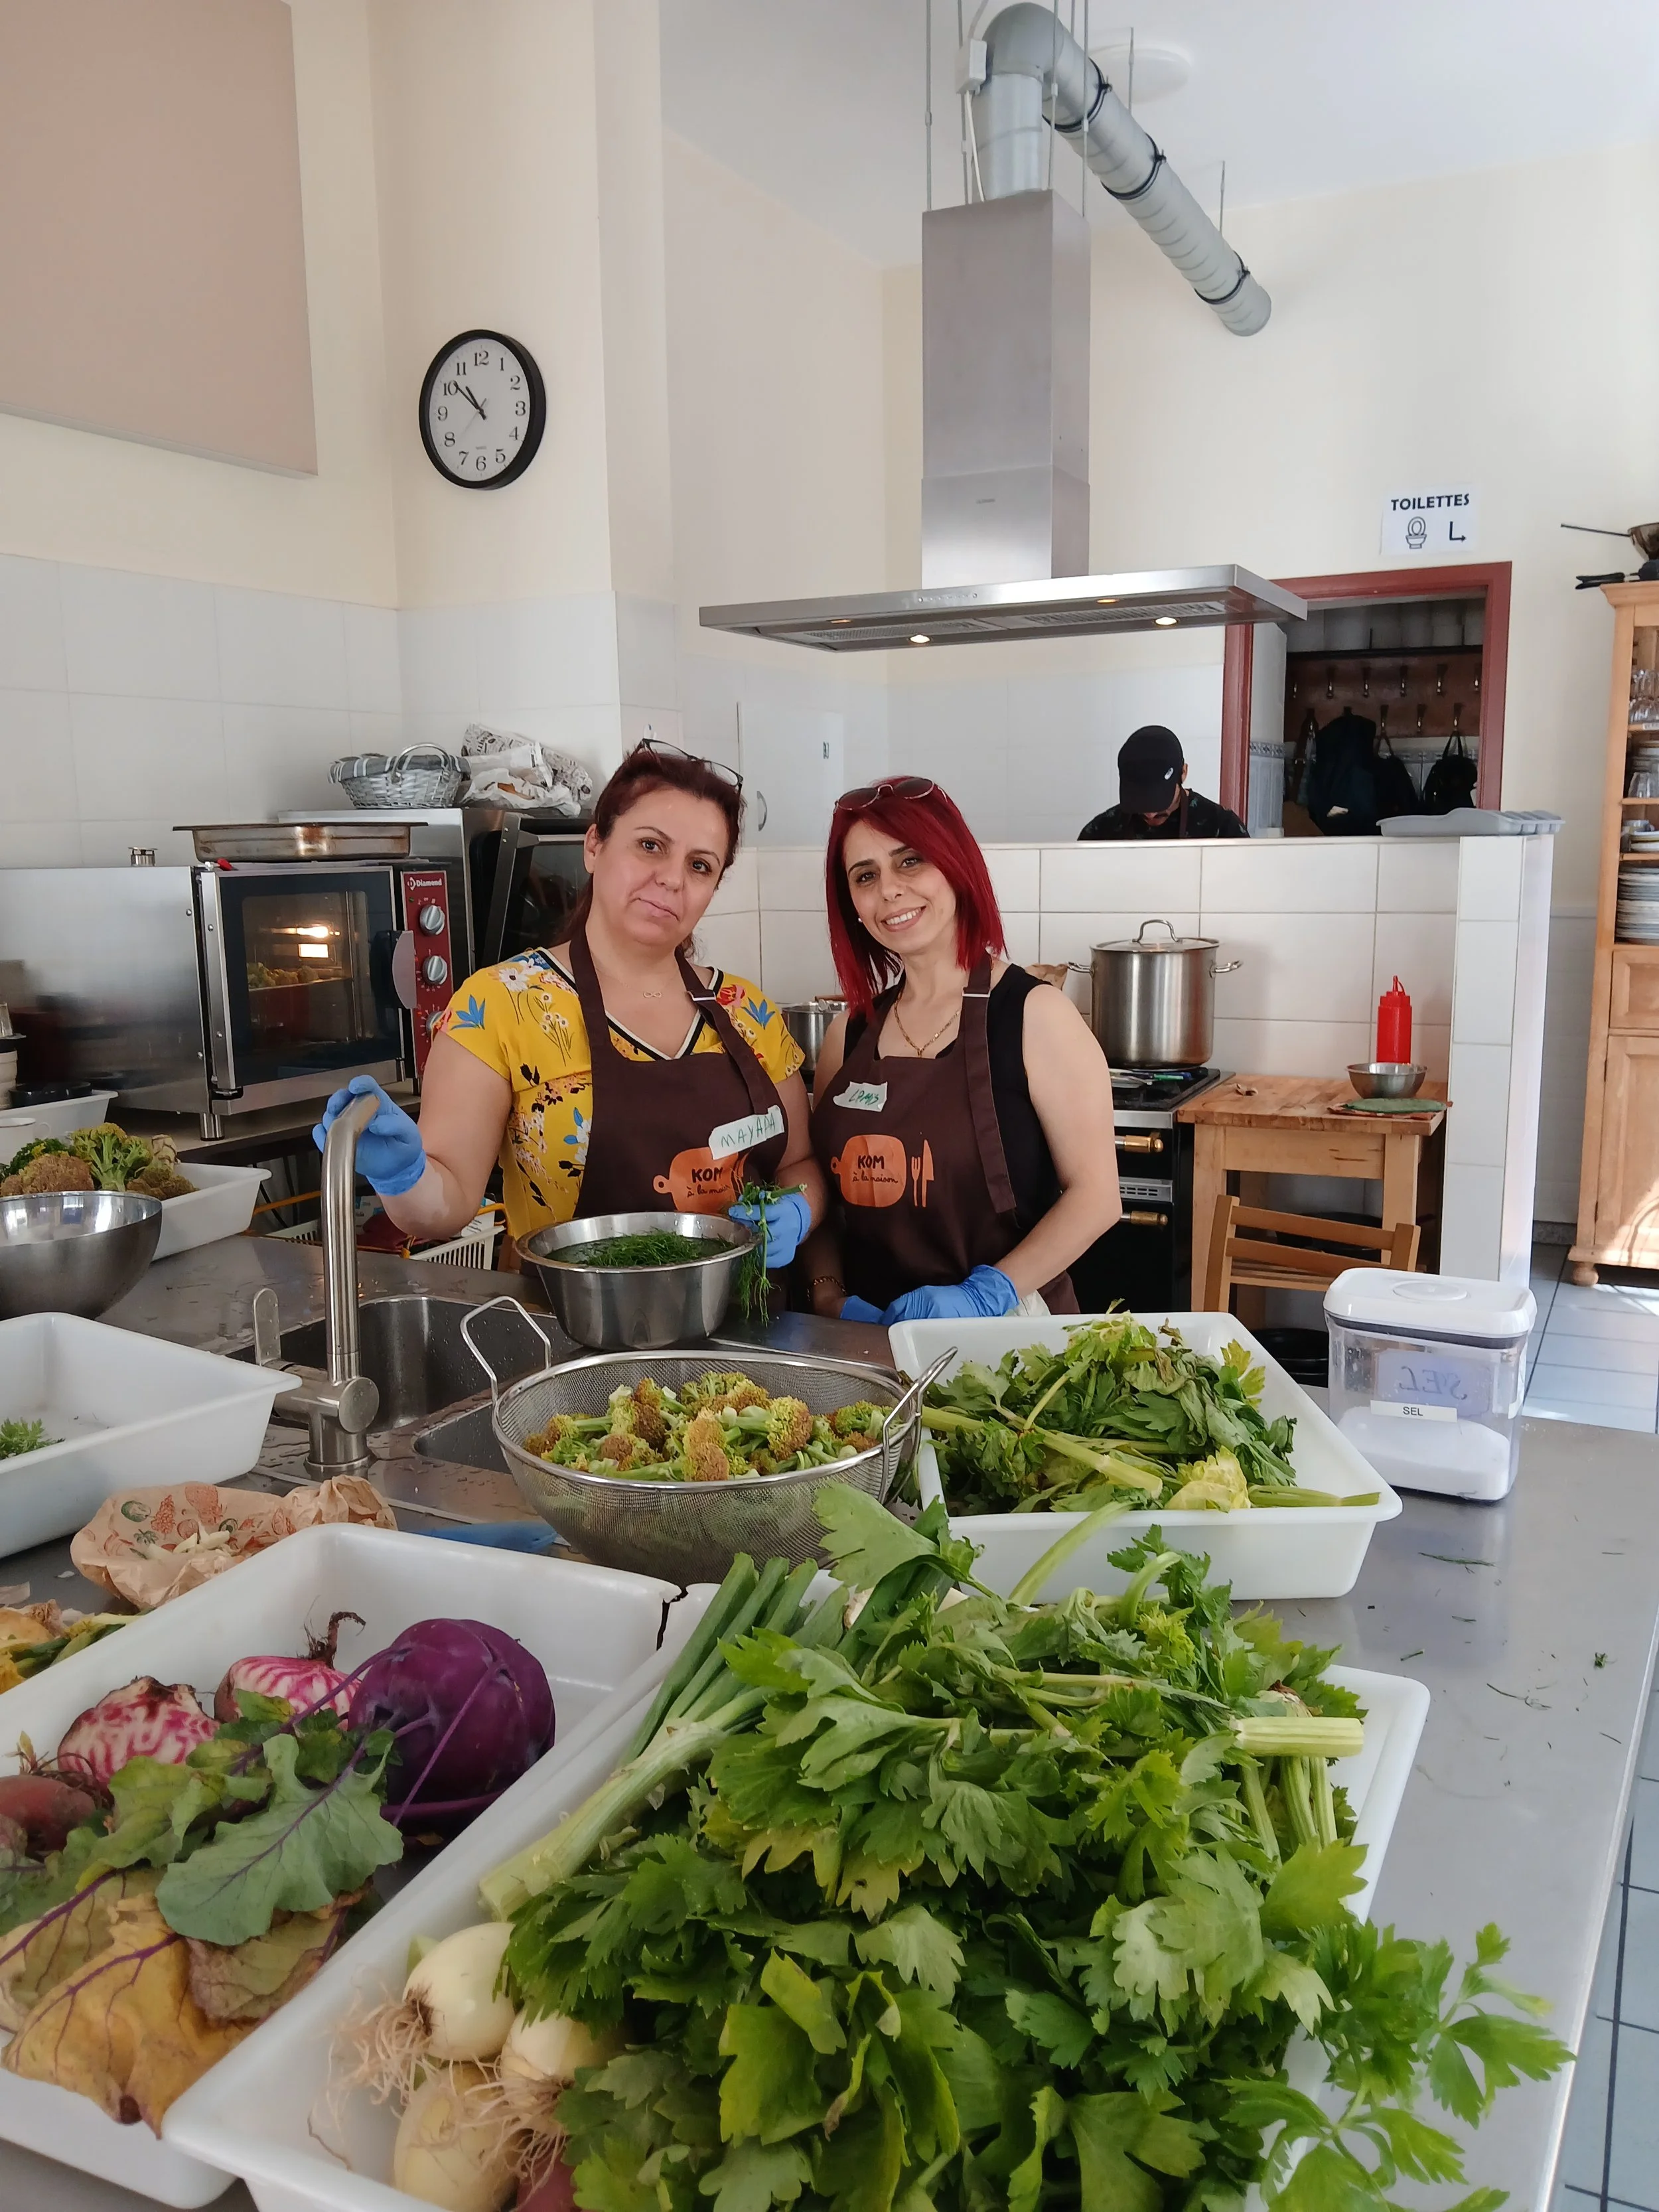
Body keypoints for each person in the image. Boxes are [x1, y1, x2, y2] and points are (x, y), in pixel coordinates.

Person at [312, 741, 824, 1274]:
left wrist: (797, 1209)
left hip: (747, 1336)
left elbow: (800, 1164)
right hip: (569, 1335)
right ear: (595, 845)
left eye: (700, 865)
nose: (672, 878)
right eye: (650, 846)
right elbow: (447, 1205)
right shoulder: (499, 1005)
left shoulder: (748, 1012)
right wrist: (404, 1175)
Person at [802, 776, 1121, 1326]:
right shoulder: (850, 1035)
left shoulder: (1034, 1015)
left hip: (1009, 1350)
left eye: (910, 861)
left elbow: (1096, 1197)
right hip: (871, 1345)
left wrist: (988, 1293)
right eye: (866, 876)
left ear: (955, 864)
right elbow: (824, 1199)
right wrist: (828, 1294)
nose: (890, 891)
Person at [1077, 724, 1247, 840]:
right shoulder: (1100, 833)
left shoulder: (1223, 829)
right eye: (1139, 800)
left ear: (1184, 773)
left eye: (1159, 799)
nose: (1150, 814)